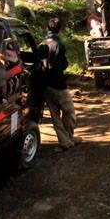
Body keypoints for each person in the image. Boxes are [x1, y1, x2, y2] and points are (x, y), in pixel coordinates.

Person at [37, 17, 79, 151]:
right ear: (60, 29)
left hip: (46, 84)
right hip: (58, 84)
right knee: (69, 112)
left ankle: (64, 141)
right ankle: (69, 138)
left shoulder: (41, 44)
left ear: (47, 29)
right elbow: (62, 64)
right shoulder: (58, 44)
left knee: (55, 116)